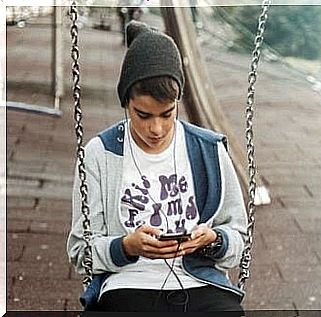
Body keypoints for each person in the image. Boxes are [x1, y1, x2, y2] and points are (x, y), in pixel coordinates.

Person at [67, 21, 247, 313]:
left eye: (167, 113)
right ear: (126, 102)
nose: (157, 128)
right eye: (143, 114)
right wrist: (127, 247)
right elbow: (80, 252)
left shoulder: (208, 150)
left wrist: (214, 240)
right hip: (128, 282)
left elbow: (238, 236)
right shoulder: (100, 154)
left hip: (198, 280)